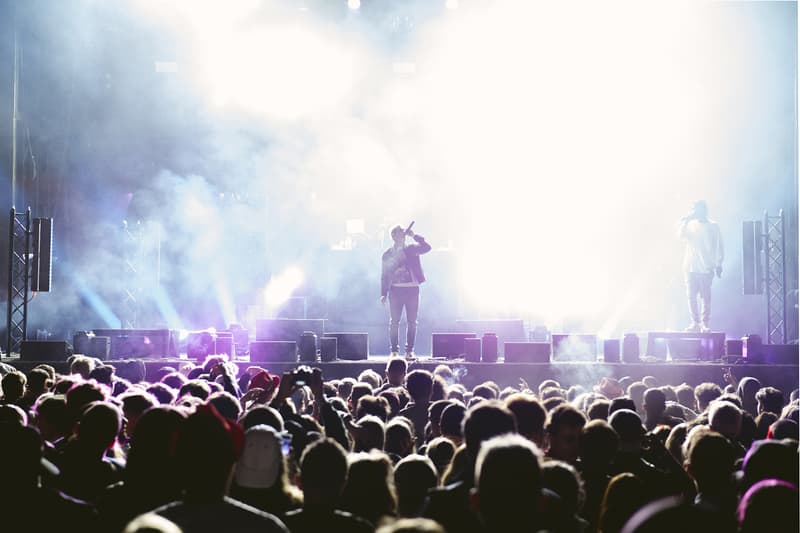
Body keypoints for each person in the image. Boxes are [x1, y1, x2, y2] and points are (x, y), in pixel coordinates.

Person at [380, 223, 432, 358]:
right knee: (394, 322)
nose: (403, 235)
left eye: (404, 232)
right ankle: (394, 351)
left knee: (412, 322)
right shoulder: (388, 254)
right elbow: (384, 275)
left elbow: (427, 247)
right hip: (395, 290)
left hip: (412, 290)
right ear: (393, 236)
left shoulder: (411, 249)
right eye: (400, 232)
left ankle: (409, 351)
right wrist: (383, 293)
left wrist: (414, 235)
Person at [679, 200, 724, 332]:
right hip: (690, 266)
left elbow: (719, 246)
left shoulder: (713, 226)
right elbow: (680, 236)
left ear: (703, 210)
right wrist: (686, 221)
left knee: (705, 297)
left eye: (696, 209)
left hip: (706, 267)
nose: (694, 212)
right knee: (691, 296)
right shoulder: (690, 225)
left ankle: (705, 324)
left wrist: (719, 264)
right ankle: (695, 322)